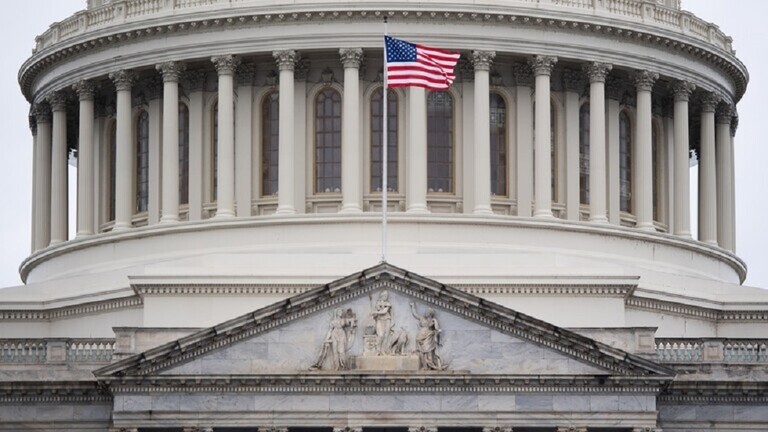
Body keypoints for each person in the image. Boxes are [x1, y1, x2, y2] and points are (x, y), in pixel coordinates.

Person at [409, 302, 445, 370]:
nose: (425, 312)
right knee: (422, 353)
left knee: (428, 352)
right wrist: (413, 306)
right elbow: (415, 314)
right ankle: (424, 365)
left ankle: (430, 365)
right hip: (420, 337)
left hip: (428, 337)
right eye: (426, 311)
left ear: (430, 313)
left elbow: (437, 329)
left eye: (427, 312)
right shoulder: (422, 318)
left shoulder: (433, 320)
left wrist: (437, 332)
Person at [370, 291, 393, 355]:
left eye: (387, 296)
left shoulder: (388, 303)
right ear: (381, 296)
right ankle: (378, 350)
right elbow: (377, 311)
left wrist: (374, 312)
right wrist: (374, 314)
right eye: (385, 295)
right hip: (379, 319)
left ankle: (383, 350)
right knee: (380, 335)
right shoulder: (377, 303)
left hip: (387, 319)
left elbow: (384, 312)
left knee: (386, 335)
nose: (386, 297)